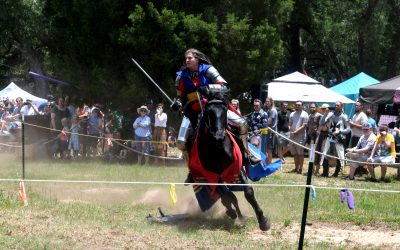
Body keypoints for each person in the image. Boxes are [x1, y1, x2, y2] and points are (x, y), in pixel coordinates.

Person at [171, 48, 255, 182]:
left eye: (190, 58)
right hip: (193, 110)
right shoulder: (181, 76)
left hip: (213, 107)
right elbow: (181, 96)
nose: (187, 60)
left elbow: (225, 87)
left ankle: (246, 154)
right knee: (181, 142)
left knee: (242, 123)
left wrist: (207, 89)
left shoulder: (208, 70)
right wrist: (178, 103)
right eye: (186, 58)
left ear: (197, 59)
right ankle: (192, 171)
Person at [319, 101, 350, 177]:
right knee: (325, 156)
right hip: (330, 138)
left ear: (341, 106)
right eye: (335, 105)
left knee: (339, 157)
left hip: (338, 139)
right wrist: (325, 114)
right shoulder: (330, 114)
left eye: (338, 105)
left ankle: (336, 173)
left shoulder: (344, 116)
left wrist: (340, 131)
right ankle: (325, 173)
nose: (336, 106)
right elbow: (321, 122)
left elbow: (348, 129)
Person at [288, 100, 309, 174]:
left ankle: (300, 169)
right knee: (295, 153)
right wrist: (290, 129)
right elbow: (290, 123)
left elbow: (304, 126)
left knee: (300, 153)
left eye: (299, 105)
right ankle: (296, 168)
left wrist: (295, 132)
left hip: (300, 136)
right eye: (296, 105)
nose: (297, 106)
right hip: (292, 135)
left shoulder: (305, 114)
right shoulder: (292, 114)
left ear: (302, 106)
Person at [314, 103, 330, 176]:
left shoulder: (331, 116)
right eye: (323, 109)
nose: (324, 110)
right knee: (317, 152)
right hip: (321, 134)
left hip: (327, 135)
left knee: (324, 153)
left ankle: (325, 171)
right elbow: (321, 123)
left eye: (325, 109)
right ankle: (316, 170)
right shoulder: (322, 116)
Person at [264, 96, 278, 164]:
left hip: (271, 131)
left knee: (269, 148)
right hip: (267, 131)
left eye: (268, 102)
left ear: (271, 102)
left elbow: (269, 121)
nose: (266, 103)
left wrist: (262, 123)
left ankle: (268, 163)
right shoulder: (269, 110)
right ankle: (267, 162)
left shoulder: (272, 110)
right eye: (266, 101)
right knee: (267, 148)